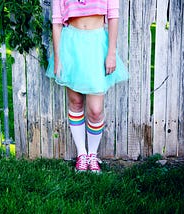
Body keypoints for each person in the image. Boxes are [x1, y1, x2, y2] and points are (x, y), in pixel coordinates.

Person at [46, 0, 129, 173]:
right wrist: (58, 58)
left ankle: (93, 154)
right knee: (75, 102)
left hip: (96, 45)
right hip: (71, 44)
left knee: (96, 110)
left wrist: (111, 53)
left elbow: (113, 16)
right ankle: (82, 155)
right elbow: (56, 22)